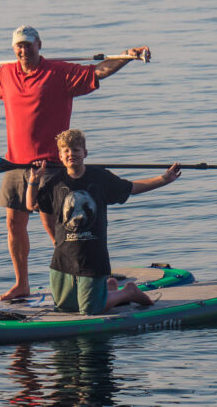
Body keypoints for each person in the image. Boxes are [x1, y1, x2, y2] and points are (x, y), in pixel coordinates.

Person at [0, 25, 152, 301]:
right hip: (13, 164)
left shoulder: (60, 73)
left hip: (51, 166)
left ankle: (88, 275)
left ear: (39, 45)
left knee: (56, 225)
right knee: (14, 224)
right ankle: (21, 283)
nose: (23, 50)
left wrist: (126, 57)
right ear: (14, 49)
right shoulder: (6, 74)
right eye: (18, 46)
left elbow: (99, 72)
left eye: (28, 45)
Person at [25, 129, 181, 315]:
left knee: (91, 310)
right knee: (65, 309)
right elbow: (31, 204)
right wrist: (33, 181)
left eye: (75, 150)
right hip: (62, 258)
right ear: (59, 156)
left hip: (93, 258)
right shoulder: (53, 182)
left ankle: (127, 292)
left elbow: (132, 188)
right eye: (66, 151)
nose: (71, 154)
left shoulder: (99, 177)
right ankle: (109, 289)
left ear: (85, 153)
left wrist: (164, 179)